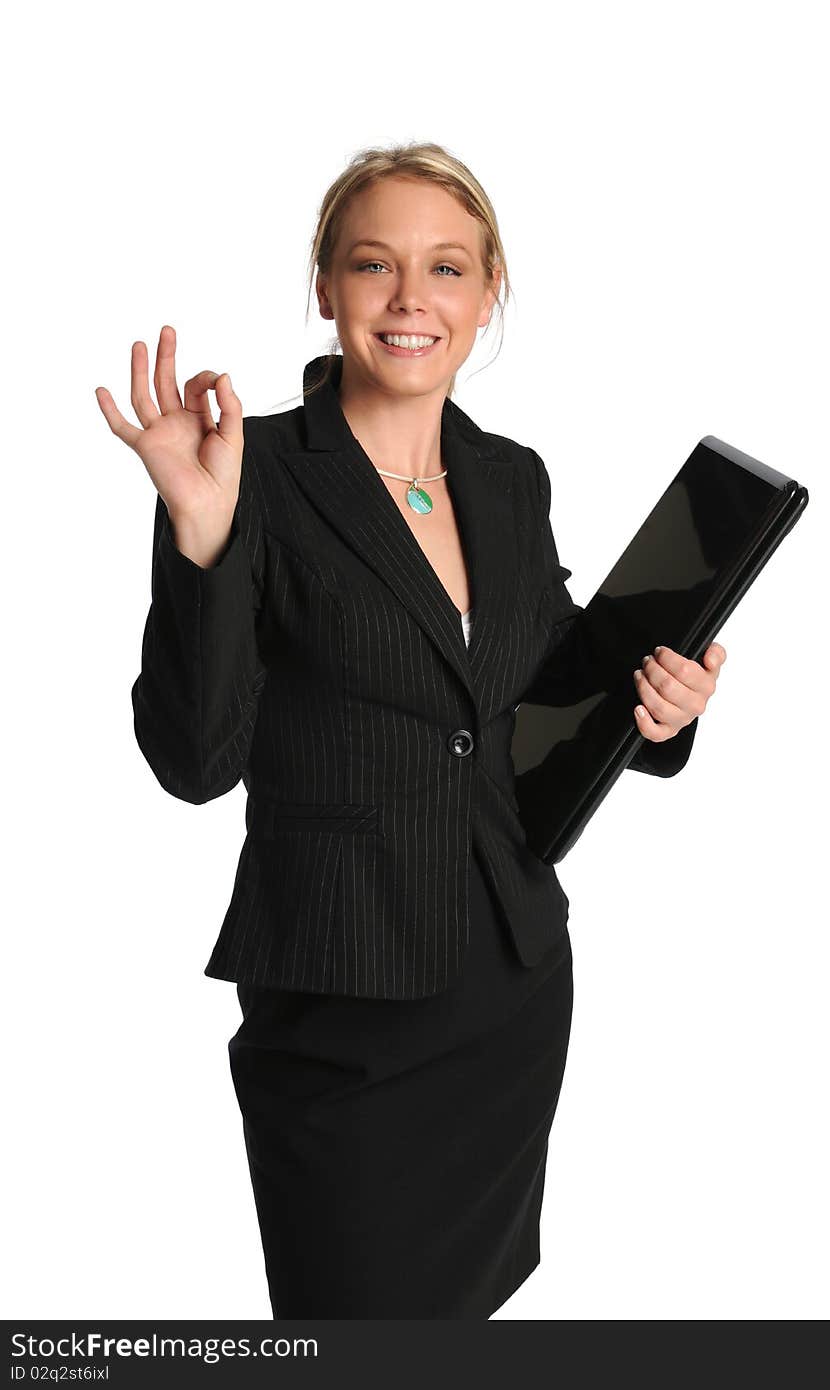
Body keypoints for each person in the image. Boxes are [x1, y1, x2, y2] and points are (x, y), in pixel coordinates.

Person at [95, 141, 726, 1319]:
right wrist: (200, 535)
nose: (408, 299)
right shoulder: (254, 470)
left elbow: (554, 690)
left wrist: (664, 709)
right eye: (372, 264)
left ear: (487, 294)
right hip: (341, 1000)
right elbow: (194, 759)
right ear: (324, 286)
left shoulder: (508, 479)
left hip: (508, 979)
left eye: (444, 267)